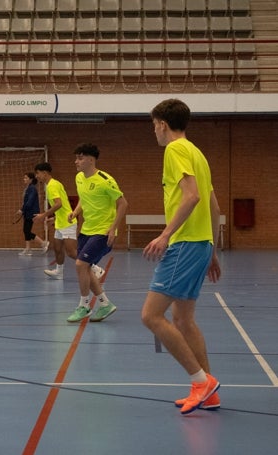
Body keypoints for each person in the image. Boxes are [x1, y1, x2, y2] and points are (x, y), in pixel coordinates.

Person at [141, 99, 222, 415]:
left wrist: (165, 234)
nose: (154, 132)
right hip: (199, 244)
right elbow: (214, 206)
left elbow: (193, 197)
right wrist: (212, 250)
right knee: (184, 319)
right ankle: (208, 390)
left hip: (185, 243)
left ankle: (201, 381)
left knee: (151, 316)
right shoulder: (197, 153)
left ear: (162, 123)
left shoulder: (174, 151)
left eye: (153, 125)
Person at [67, 143, 128, 322]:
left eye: (80, 158)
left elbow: (123, 203)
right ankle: (104, 303)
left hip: (102, 231)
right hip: (87, 230)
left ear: (91, 160)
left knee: (80, 265)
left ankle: (84, 305)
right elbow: (83, 199)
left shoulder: (105, 180)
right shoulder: (79, 178)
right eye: (76, 157)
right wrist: (76, 212)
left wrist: (112, 228)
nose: (76, 161)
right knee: (86, 267)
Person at [16, 172, 49, 256]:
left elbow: (29, 202)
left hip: (31, 212)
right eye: (24, 178)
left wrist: (22, 210)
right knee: (26, 230)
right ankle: (28, 249)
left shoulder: (32, 189)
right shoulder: (28, 188)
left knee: (27, 231)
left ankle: (43, 243)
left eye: (26, 178)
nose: (24, 179)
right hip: (27, 212)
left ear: (31, 179)